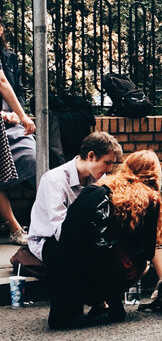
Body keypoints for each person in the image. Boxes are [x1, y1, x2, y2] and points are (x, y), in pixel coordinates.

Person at [47, 150, 162, 329]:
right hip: (99, 267)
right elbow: (147, 250)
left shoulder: (102, 186)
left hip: (66, 265)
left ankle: (102, 301)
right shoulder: (150, 198)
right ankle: (108, 299)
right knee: (140, 263)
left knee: (111, 253)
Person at [28, 131, 122, 264]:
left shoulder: (99, 177)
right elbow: (61, 232)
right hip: (48, 240)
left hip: (82, 236)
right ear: (91, 156)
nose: (109, 168)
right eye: (107, 163)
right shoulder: (54, 180)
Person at [0, 22, 36, 245]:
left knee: (35, 159)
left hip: (11, 125)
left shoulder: (9, 57)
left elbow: (15, 89)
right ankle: (14, 227)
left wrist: (17, 114)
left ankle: (41, 219)